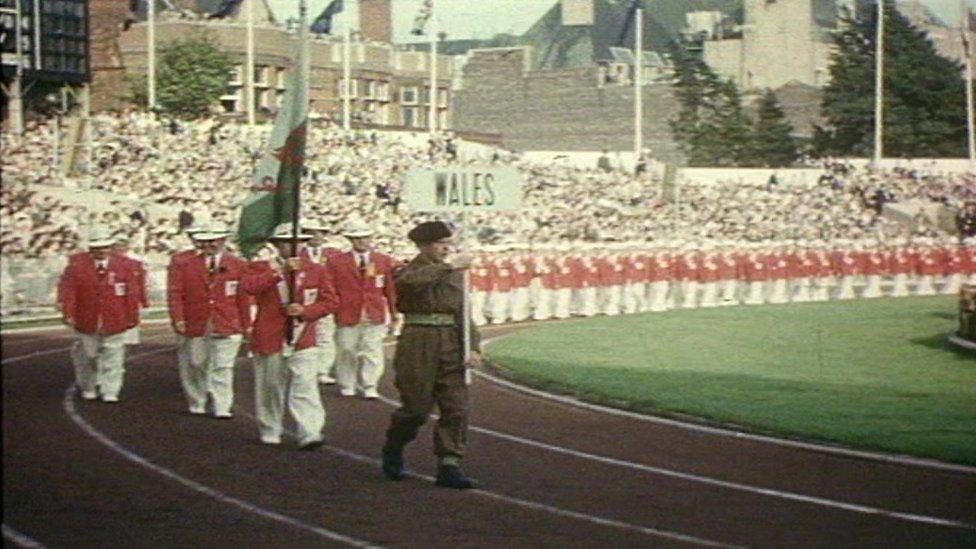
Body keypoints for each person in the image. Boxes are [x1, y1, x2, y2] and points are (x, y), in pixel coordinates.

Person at [381, 220, 484, 490]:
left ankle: (450, 463)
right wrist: (450, 266)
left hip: (451, 340)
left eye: (448, 244)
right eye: (440, 244)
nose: (445, 249)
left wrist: (473, 346)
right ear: (424, 246)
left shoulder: (454, 273)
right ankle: (395, 445)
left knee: (457, 406)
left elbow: (464, 313)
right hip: (419, 340)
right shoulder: (408, 269)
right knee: (416, 409)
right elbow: (411, 283)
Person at [242, 223, 339, 449]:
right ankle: (270, 428)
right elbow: (249, 287)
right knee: (270, 386)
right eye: (287, 243)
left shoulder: (316, 270)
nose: (293, 247)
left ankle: (310, 431)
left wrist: (305, 311)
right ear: (277, 246)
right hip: (270, 337)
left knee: (305, 384)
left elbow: (330, 302)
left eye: (298, 243)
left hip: (303, 336)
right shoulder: (259, 267)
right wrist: (278, 272)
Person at [167, 223, 251, 418]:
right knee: (195, 364)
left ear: (223, 241)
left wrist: (246, 325)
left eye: (213, 241)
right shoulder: (185, 264)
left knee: (223, 366)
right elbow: (175, 293)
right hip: (196, 321)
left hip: (228, 323)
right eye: (204, 241)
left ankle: (222, 406)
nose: (208, 245)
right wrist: (178, 318)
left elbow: (243, 297)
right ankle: (197, 401)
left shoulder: (238, 264)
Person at [58, 226, 142, 402]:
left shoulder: (124, 266)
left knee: (114, 357)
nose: (101, 251)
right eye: (97, 247)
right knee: (87, 356)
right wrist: (68, 312)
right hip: (86, 319)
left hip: (115, 318)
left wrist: (132, 316)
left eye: (105, 247)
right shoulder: (76, 267)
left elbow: (131, 293)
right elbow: (68, 292)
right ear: (90, 249)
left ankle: (111, 390)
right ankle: (88, 386)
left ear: (110, 247)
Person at [328, 221, 399, 399]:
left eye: (366, 237)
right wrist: (334, 308)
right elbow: (330, 288)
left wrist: (394, 311)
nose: (363, 241)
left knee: (373, 350)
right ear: (351, 240)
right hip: (347, 312)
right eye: (358, 238)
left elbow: (389, 288)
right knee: (346, 349)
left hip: (374, 312)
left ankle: (370, 384)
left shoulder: (382, 260)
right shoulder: (336, 261)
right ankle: (347, 383)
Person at [302, 221, 343, 386]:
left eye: (321, 232)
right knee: (305, 335)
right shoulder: (298, 252)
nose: (317, 236)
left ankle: (322, 370)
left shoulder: (334, 254)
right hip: (304, 299)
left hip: (326, 298)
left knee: (326, 336)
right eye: (312, 232)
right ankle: (308, 369)